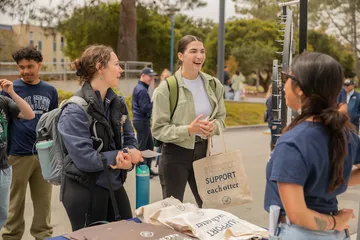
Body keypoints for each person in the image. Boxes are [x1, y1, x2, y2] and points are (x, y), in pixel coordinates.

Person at [264, 52, 360, 240]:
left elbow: (297, 214)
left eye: (287, 78)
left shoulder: (292, 142)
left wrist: (335, 222)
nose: (283, 85)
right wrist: (333, 178)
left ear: (299, 87)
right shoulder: (345, 133)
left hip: (298, 233)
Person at [58, 45, 143, 231]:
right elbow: (85, 159)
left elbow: (130, 138)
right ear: (100, 68)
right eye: (116, 64)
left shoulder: (118, 103)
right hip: (84, 189)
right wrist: (121, 156)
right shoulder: (74, 109)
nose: (120, 70)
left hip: (112, 184)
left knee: (125, 233)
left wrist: (126, 156)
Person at [152, 35, 226, 208]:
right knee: (173, 210)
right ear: (180, 56)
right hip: (174, 155)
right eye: (193, 51)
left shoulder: (214, 85)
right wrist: (189, 130)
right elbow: (158, 130)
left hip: (204, 153)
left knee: (210, 208)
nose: (199, 56)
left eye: (202, 51)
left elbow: (221, 118)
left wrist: (213, 127)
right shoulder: (167, 87)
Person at [2, 46, 58, 240]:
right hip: (16, 154)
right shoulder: (10, 89)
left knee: (43, 202)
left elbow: (53, 122)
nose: (26, 71)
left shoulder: (50, 90)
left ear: (39, 65)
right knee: (14, 203)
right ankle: (11, 237)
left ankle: (43, 236)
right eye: (22, 67)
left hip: (44, 155)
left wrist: (55, 152)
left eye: (30, 66)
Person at [0, 79, 34, 229]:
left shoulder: (4, 102)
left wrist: (12, 93)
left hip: (3, 167)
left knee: (2, 216)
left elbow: (29, 114)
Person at [132, 67, 158, 178]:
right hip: (142, 121)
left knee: (148, 145)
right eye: (149, 76)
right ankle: (141, 170)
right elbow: (145, 108)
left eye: (152, 77)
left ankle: (147, 169)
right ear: (143, 75)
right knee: (142, 148)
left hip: (142, 121)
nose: (151, 79)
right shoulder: (142, 90)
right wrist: (154, 103)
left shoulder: (141, 88)